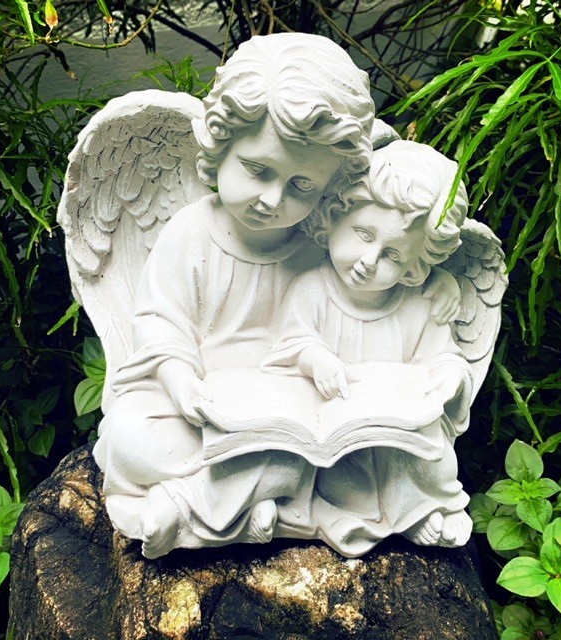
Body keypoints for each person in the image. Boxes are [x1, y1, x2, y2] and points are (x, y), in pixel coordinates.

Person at [92, 32, 376, 558]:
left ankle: (188, 505)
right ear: (219, 147)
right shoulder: (189, 233)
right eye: (258, 170)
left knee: (319, 453)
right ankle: (268, 507)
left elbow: (339, 329)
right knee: (131, 439)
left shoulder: (320, 251)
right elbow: (159, 323)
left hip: (278, 418)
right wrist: (182, 384)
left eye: (302, 186)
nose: (272, 199)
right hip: (196, 409)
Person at [262, 140, 474, 556]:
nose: (368, 261)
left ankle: (418, 510)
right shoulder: (312, 288)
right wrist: (314, 358)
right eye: (363, 235)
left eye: (392, 255)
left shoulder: (418, 305)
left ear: (415, 265)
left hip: (398, 441)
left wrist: (449, 376)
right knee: (342, 480)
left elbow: (445, 356)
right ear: (335, 216)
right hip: (336, 436)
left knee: (433, 459)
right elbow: (290, 342)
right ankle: (340, 512)